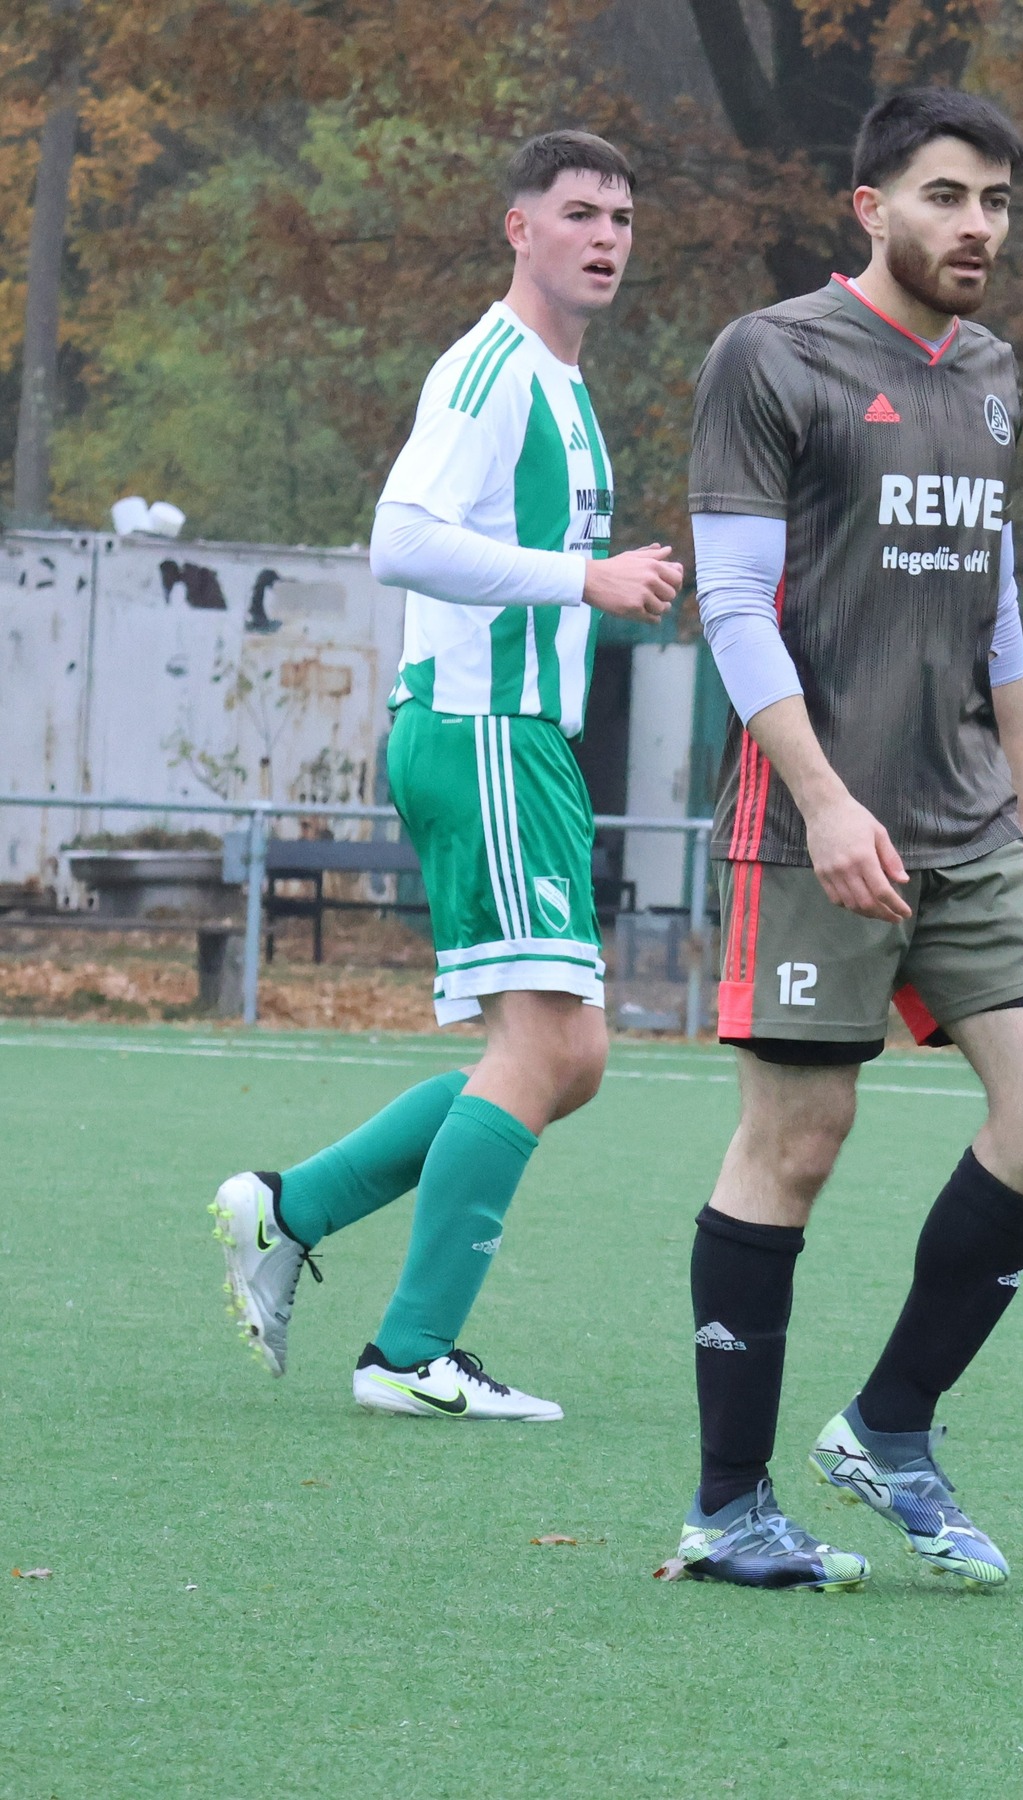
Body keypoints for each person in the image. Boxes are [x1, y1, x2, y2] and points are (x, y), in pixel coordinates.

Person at [671, 87, 1023, 1593]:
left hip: (969, 816)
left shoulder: (991, 370)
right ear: (870, 206)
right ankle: (729, 1505)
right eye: (944, 195)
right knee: (799, 1140)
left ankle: (890, 1428)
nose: (976, 226)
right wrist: (827, 797)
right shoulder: (769, 355)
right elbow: (730, 606)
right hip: (811, 820)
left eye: (995, 200)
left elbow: (995, 596)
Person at [208, 130, 682, 1420]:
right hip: (479, 733)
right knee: (546, 1052)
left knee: (562, 1056)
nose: (606, 235)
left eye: (623, 217)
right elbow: (400, 539)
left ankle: (289, 1208)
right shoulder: (490, 370)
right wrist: (582, 578)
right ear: (517, 229)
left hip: (518, 742)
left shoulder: (561, 380)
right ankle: (410, 1353)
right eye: (578, 211)